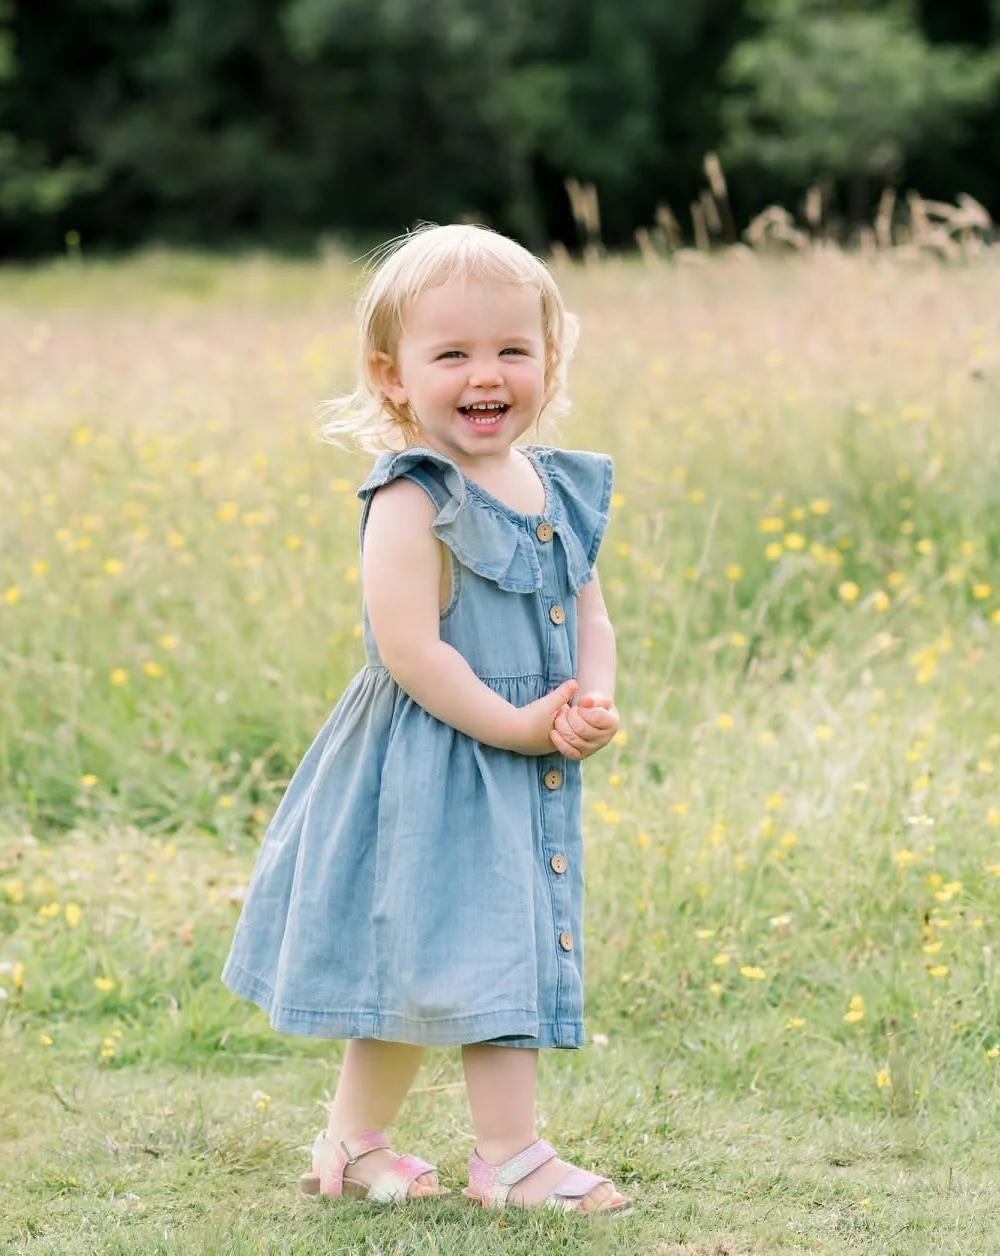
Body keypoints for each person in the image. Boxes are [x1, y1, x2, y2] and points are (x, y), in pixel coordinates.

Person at [221, 223, 630, 1215]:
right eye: (452, 354)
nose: (485, 374)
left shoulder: (555, 486)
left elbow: (588, 611)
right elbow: (411, 652)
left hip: (522, 747)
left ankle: (355, 1146)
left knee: (470, 944)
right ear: (391, 375)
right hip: (431, 759)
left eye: (511, 349)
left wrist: (591, 697)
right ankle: (506, 1157)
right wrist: (515, 725)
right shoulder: (413, 496)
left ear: (549, 360)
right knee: (469, 950)